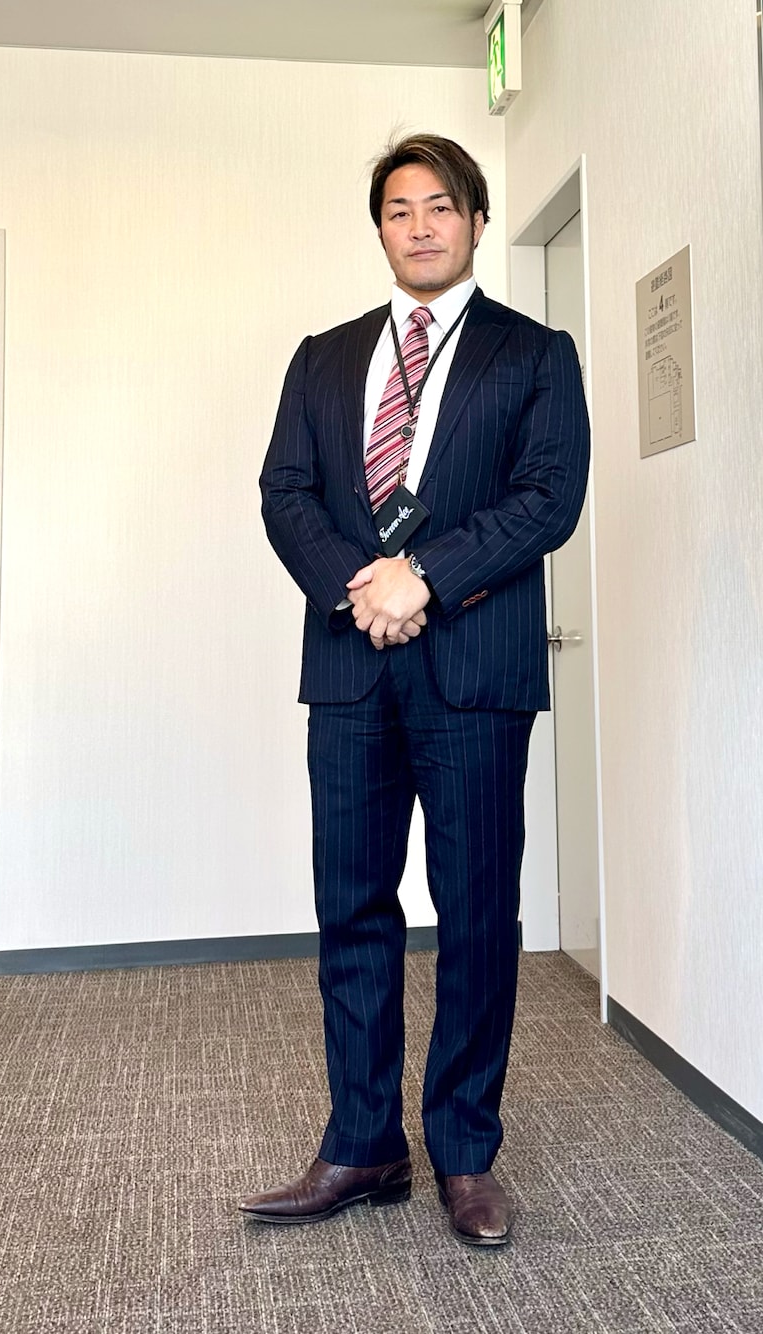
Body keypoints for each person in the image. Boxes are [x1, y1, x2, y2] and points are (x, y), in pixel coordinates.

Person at [243, 133, 590, 1246]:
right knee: (352, 905)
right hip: (352, 670)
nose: (421, 225)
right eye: (400, 210)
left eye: (441, 205)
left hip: (475, 672)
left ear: (476, 220)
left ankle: (466, 1152)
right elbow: (285, 491)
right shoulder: (323, 356)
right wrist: (363, 588)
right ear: (381, 230)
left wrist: (424, 575)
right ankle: (362, 1143)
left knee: (477, 911)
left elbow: (549, 496)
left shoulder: (534, 353)